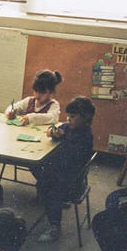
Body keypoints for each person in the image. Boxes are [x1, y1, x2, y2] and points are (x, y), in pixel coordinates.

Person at [32, 97, 95, 242]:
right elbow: (54, 129)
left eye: (73, 117)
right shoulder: (69, 126)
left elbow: (72, 154)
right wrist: (52, 132)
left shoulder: (86, 135)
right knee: (37, 168)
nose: (69, 119)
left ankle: (55, 226)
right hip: (61, 171)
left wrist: (63, 138)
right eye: (68, 116)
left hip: (73, 179)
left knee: (51, 188)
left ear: (85, 118)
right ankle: (47, 195)